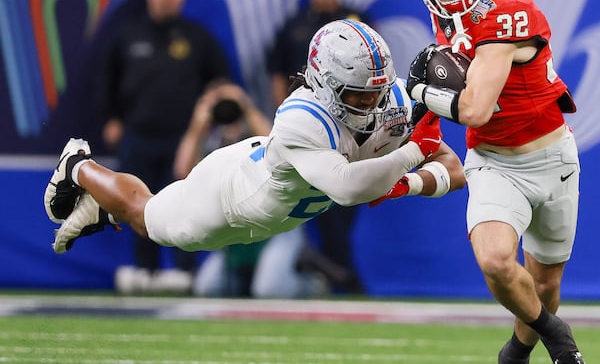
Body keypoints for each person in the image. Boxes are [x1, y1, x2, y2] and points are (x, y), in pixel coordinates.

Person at [43, 20, 467, 298]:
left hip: (274, 215)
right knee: (149, 218)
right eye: (359, 94)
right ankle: (80, 164)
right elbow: (349, 187)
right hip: (230, 196)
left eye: (376, 91)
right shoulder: (303, 117)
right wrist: (415, 151)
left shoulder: (391, 99)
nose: (372, 103)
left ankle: (102, 209)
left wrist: (407, 182)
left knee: (147, 216)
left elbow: (454, 170)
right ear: (324, 82)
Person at [404, 0, 585, 363]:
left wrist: (419, 92)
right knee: (497, 261)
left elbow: (475, 108)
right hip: (493, 161)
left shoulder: (508, 6)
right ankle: (558, 337)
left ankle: (515, 355)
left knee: (544, 285)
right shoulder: (447, 16)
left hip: (552, 157)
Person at [91, 0, 231, 294]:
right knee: (138, 203)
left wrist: (211, 119)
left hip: (184, 140)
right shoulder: (127, 34)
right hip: (138, 135)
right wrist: (110, 117)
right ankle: (146, 271)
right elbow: (103, 78)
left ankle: (185, 274)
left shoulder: (197, 37)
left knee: (187, 206)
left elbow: (221, 82)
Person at [266, 0, 371, 294]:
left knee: (342, 209)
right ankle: (339, 278)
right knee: (319, 211)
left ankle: (330, 272)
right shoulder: (294, 27)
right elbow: (278, 79)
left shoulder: (356, 22)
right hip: (310, 133)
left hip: (349, 133)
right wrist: (288, 126)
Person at [175, 80, 324, 298]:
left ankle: (311, 282)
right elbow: (182, 174)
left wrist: (245, 107)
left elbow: (281, 149)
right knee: (209, 288)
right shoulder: (211, 141)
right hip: (238, 236)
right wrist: (198, 127)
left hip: (278, 230)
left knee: (269, 291)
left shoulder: (255, 131)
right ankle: (251, 277)